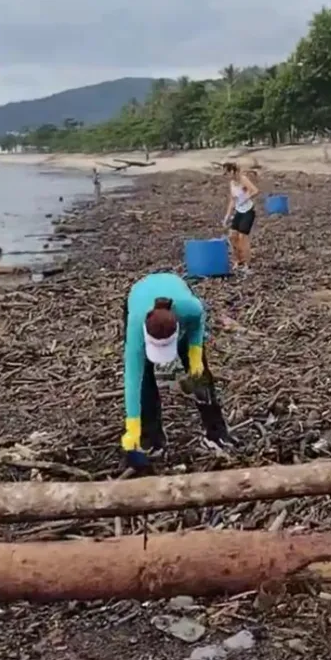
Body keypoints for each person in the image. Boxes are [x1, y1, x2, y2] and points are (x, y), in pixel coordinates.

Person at [120, 272, 237, 472]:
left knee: (199, 372)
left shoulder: (189, 307)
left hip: (177, 298)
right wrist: (131, 429)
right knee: (144, 380)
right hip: (140, 296)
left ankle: (216, 433)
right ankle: (150, 439)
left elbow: (198, 323)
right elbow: (132, 380)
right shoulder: (136, 328)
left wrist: (195, 353)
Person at [221, 162, 259, 274]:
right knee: (232, 236)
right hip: (239, 211)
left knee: (243, 238)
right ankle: (238, 261)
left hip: (248, 211)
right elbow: (232, 200)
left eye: (226, 173)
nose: (226, 175)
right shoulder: (232, 183)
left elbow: (255, 190)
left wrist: (246, 198)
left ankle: (247, 265)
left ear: (232, 171)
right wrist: (227, 216)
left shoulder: (243, 180)